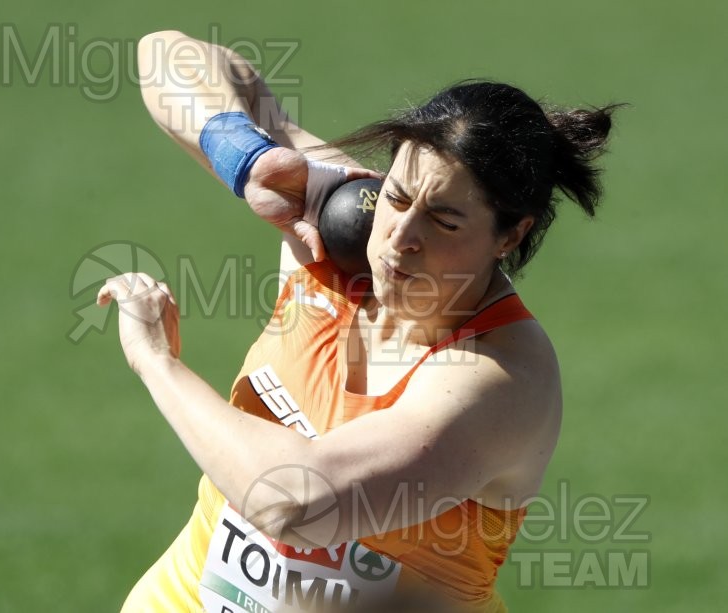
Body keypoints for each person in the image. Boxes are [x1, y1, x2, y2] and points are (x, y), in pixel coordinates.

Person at [97, 30, 619, 612]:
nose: (399, 239)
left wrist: (156, 363)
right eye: (397, 196)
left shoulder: (499, 379)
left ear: (511, 235)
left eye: (443, 222)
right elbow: (165, 53)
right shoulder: (336, 220)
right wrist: (246, 157)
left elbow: (296, 503)